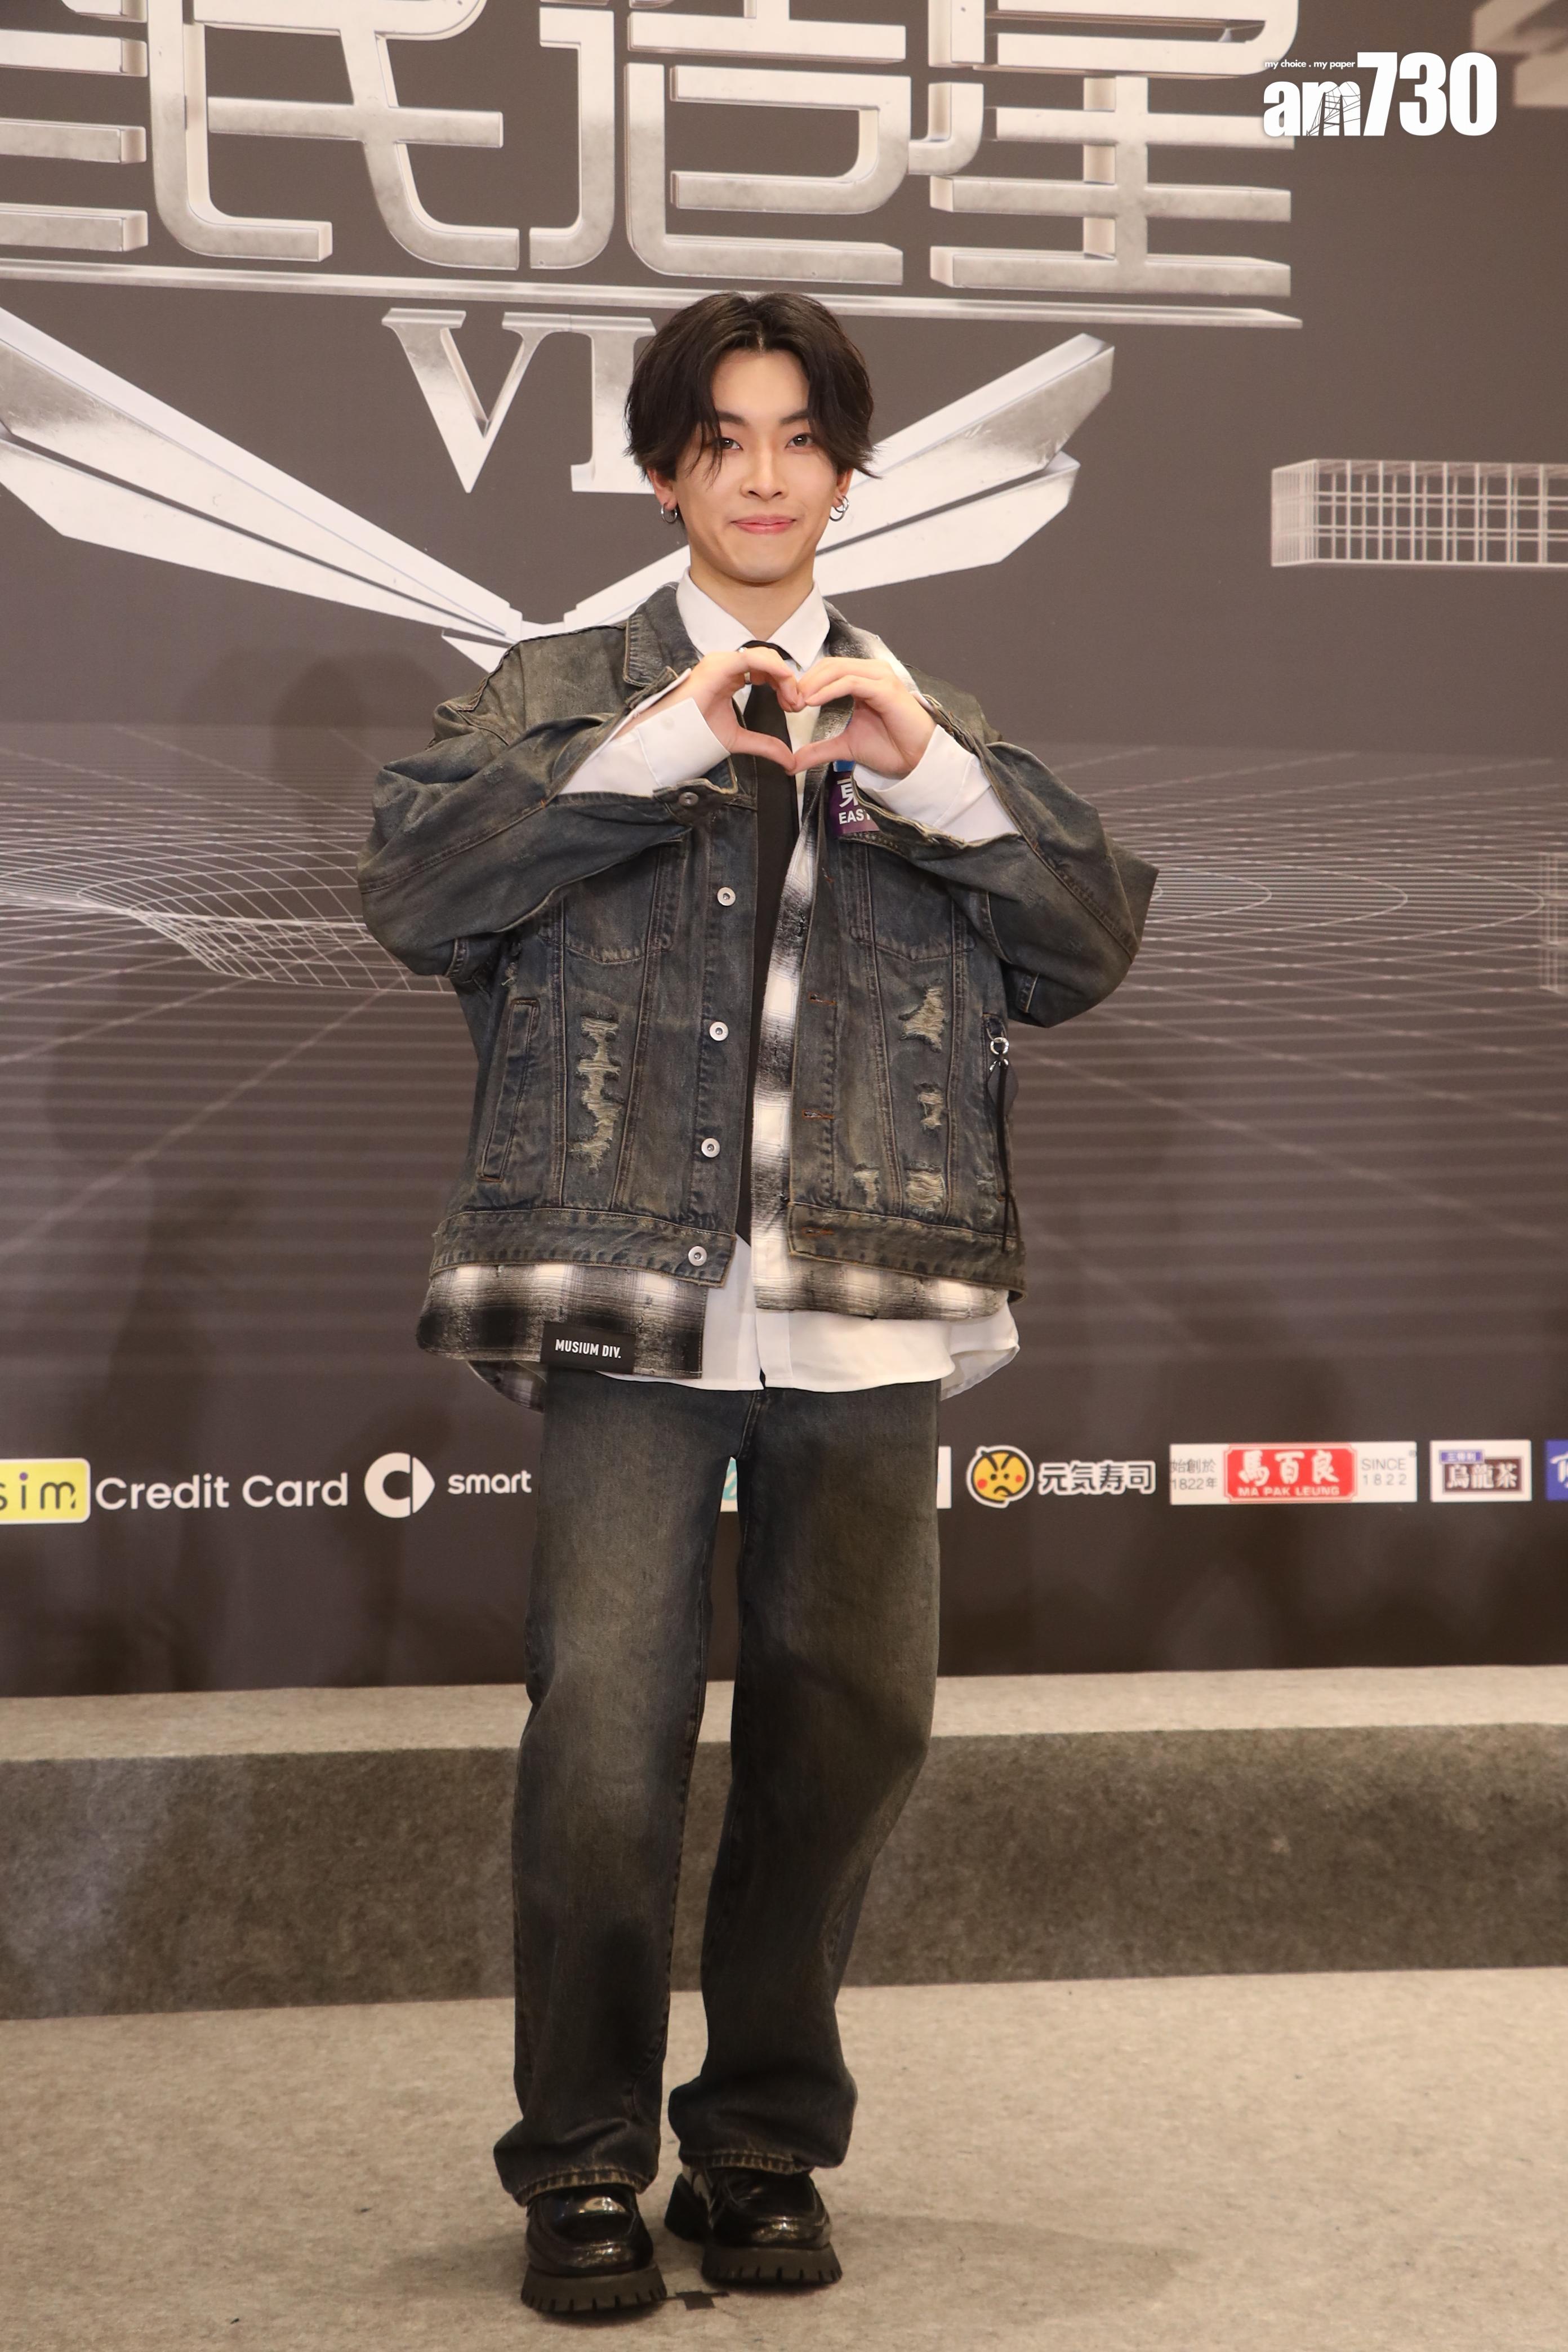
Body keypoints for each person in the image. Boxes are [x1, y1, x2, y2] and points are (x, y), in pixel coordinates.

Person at [358, 291, 1155, 2317]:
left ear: (848, 471)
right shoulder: (558, 691)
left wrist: (935, 774)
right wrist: (650, 747)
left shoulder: (918, 707)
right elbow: (415, 895)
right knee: (603, 1745)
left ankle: (762, 2142)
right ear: (667, 473)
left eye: (803, 438)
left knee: (850, 1731)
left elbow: (1087, 944)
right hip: (634, 1302)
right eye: (724, 440)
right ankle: (583, 2162)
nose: (768, 476)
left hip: (869, 1303)